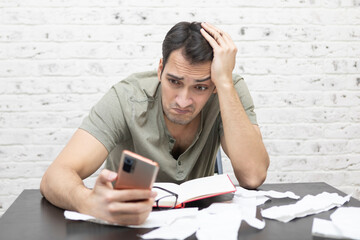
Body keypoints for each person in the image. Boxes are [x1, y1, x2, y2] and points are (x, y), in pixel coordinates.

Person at [40, 21, 269, 225]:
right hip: (127, 226)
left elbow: (253, 175)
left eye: (200, 87)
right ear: (160, 70)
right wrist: (89, 202)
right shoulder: (126, 97)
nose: (183, 100)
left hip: (198, 224)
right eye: (174, 81)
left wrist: (225, 83)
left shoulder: (227, 87)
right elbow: (55, 177)